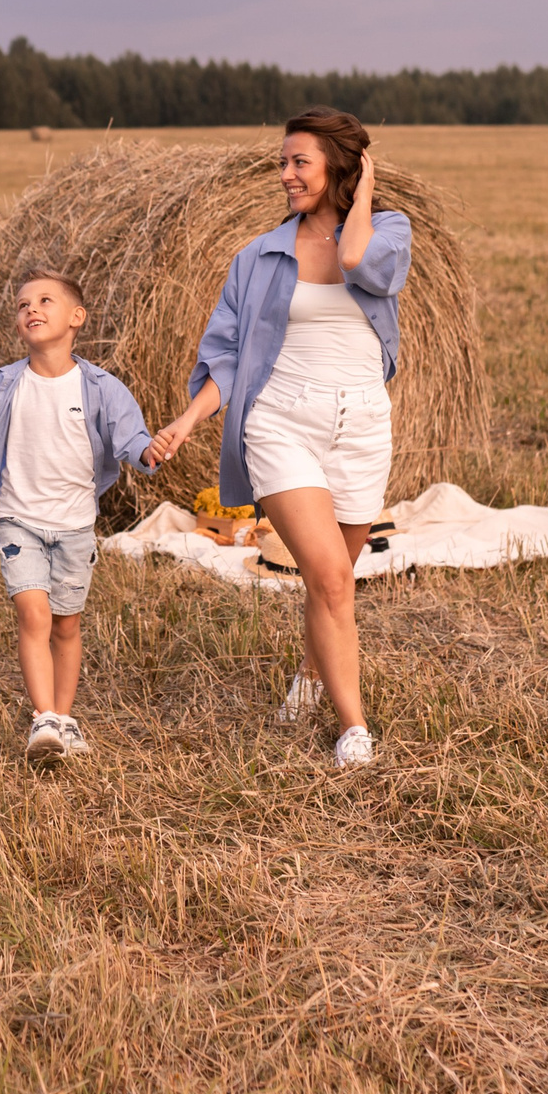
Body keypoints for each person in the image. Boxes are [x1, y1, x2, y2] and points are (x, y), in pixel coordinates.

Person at [148, 108, 409, 769]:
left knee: (335, 580)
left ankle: (313, 675)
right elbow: (229, 355)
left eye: (301, 162)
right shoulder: (257, 256)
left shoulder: (388, 234)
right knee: (328, 576)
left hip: (361, 424)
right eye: (282, 161)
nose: (284, 173)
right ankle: (354, 728)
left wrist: (368, 187)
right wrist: (186, 420)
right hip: (282, 420)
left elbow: (355, 258)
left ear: (340, 169)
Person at [0, 268, 155, 767]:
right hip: (18, 519)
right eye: (22, 305)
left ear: (76, 318)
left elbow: (132, 440)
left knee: (67, 624)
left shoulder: (102, 387)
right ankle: (43, 717)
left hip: (77, 525)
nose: (31, 310)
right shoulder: (5, 385)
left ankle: (64, 718)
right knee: (34, 614)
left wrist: (150, 453)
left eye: (44, 301)